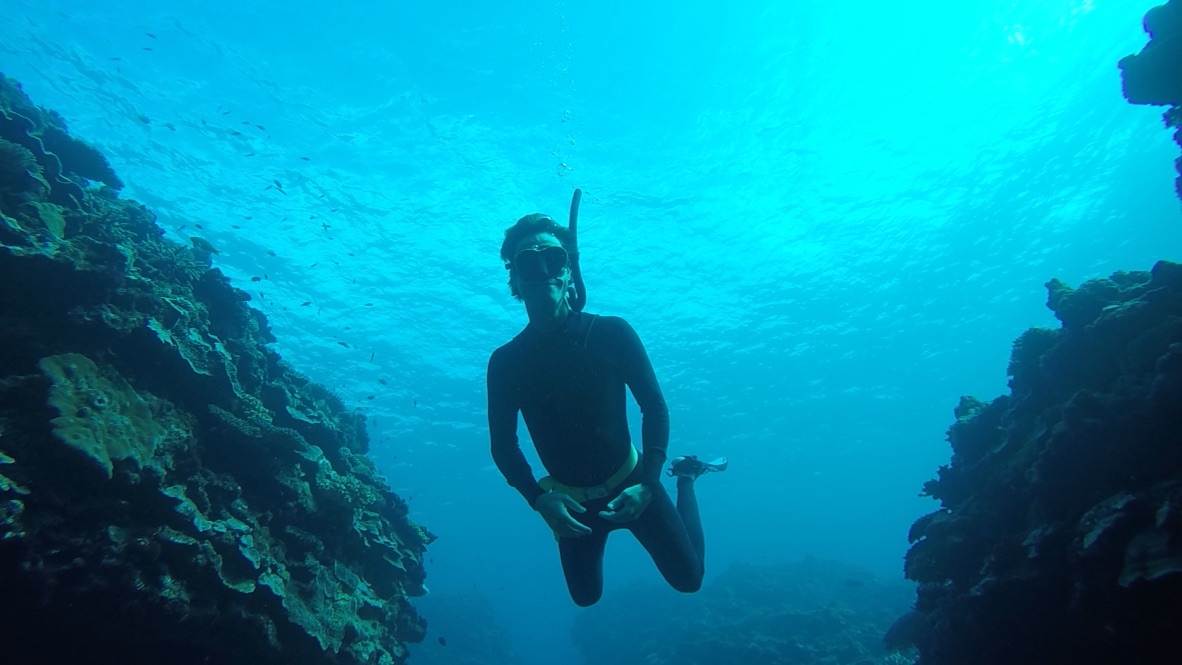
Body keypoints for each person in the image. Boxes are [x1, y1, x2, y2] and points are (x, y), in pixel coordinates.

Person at [486, 212, 727, 606]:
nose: (543, 270)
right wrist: (538, 498)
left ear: (569, 271)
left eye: (555, 259)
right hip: (571, 502)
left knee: (690, 579)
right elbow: (503, 446)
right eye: (529, 262)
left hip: (634, 480)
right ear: (514, 278)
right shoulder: (506, 362)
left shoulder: (611, 333)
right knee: (585, 597)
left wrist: (649, 483)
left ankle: (685, 476)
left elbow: (655, 410)